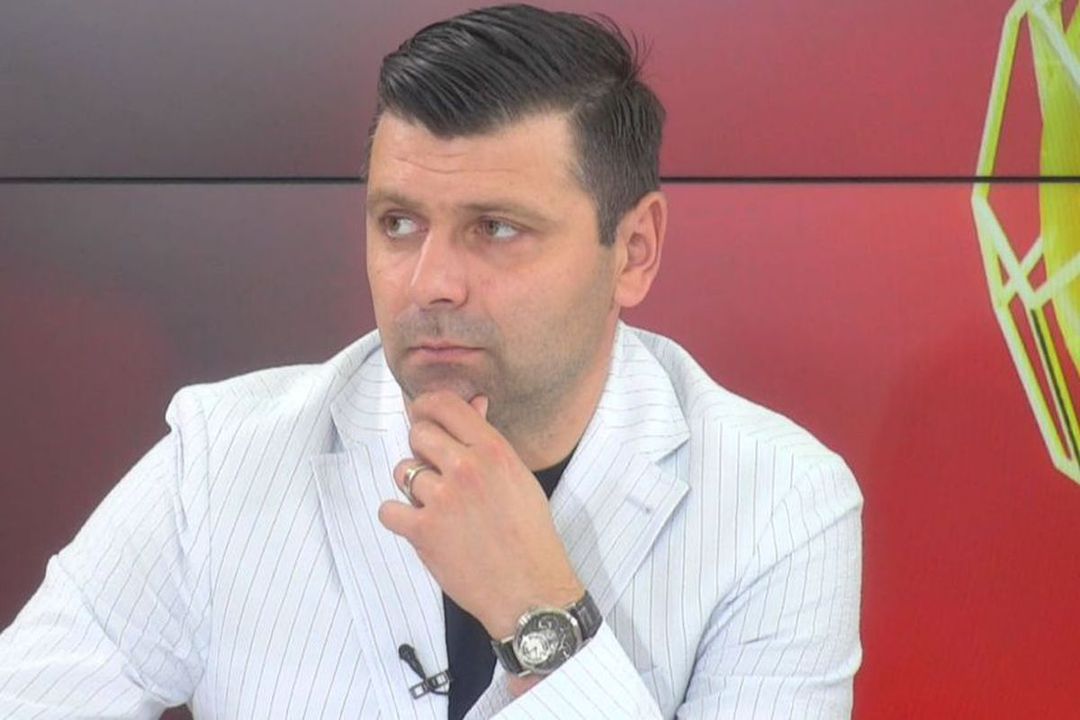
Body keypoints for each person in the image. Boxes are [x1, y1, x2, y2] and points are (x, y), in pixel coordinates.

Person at [0, 4, 862, 718]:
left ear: (633, 251)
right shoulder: (221, 460)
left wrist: (537, 613)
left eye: (497, 228)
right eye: (399, 223)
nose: (429, 282)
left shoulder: (781, 505)